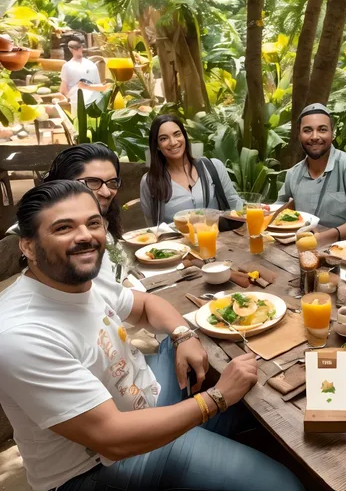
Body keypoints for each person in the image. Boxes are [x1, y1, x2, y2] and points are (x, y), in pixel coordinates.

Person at [0, 181, 303, 491]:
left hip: (145, 398)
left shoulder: (78, 276)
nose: (85, 236)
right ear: (28, 246)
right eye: (63, 227)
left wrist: (183, 336)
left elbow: (145, 305)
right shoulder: (21, 334)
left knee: (230, 378)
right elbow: (112, 438)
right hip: (99, 463)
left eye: (92, 223)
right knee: (284, 485)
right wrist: (215, 398)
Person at [5, 143, 125, 289]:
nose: (106, 192)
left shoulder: (105, 216)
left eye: (112, 182)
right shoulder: (32, 233)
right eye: (92, 182)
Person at [277, 103, 346, 243]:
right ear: (299, 135)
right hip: (300, 248)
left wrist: (323, 238)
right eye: (307, 130)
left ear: (332, 134)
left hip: (345, 251)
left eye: (322, 129)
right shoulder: (293, 174)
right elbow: (280, 207)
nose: (315, 136)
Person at [140, 114, 243, 225]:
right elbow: (151, 224)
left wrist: (255, 210)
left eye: (177, 134)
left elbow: (235, 203)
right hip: (176, 241)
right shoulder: (150, 181)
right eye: (164, 138)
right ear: (157, 146)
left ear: (184, 136)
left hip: (215, 239)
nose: (173, 142)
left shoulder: (214, 167)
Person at [59, 40, 110, 115]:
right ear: (71, 49)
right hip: (77, 98)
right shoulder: (67, 66)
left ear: (82, 48)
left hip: (93, 98)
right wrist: (68, 98)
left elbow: (99, 85)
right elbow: (63, 88)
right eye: (75, 48)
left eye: (78, 48)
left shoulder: (91, 65)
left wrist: (86, 86)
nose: (77, 50)